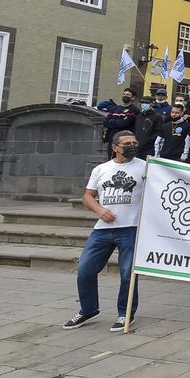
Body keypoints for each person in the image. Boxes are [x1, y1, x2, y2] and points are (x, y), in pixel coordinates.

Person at [63, 131, 144, 331]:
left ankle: (125, 314)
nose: (132, 145)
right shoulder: (101, 169)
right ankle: (88, 309)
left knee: (128, 274)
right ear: (115, 147)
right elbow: (88, 195)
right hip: (102, 229)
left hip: (131, 228)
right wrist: (100, 210)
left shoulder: (145, 167)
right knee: (85, 270)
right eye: (127, 143)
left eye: (134, 142)